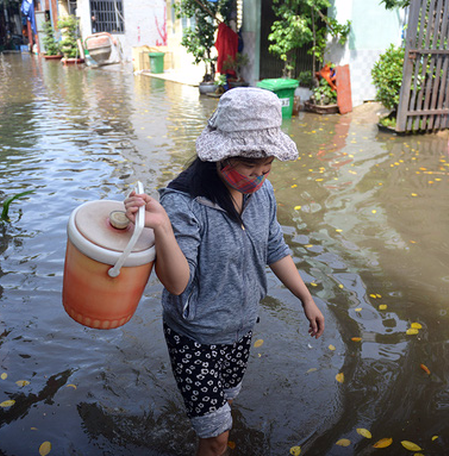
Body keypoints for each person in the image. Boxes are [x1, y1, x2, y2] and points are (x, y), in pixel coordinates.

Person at [124, 87, 325, 456]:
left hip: (241, 327)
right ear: (222, 159)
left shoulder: (261, 193)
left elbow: (274, 248)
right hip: (195, 337)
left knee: (225, 411)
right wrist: (164, 229)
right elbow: (177, 282)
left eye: (266, 168)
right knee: (216, 438)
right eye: (251, 168)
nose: (259, 177)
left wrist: (306, 298)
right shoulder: (183, 203)